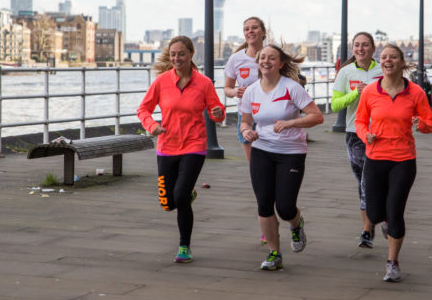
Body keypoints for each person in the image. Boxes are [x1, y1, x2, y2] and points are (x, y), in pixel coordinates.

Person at [136, 36, 225, 264]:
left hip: (194, 145)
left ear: (191, 55)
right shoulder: (162, 82)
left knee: (180, 197)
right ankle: (187, 195)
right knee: (168, 204)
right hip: (167, 146)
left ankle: (184, 247)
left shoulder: (204, 83)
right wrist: (152, 126)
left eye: (181, 54)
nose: (177, 58)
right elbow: (143, 109)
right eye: (173, 54)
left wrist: (217, 113)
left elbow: (217, 109)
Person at [355, 43, 432, 282]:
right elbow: (360, 121)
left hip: (403, 160)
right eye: (384, 57)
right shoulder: (370, 91)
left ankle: (392, 262)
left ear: (402, 62)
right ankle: (385, 220)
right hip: (375, 158)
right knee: (374, 211)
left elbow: (430, 123)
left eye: (393, 57)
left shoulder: (416, 92)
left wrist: (419, 123)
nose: (387, 60)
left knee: (395, 212)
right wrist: (364, 135)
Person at [240, 44, 324, 270]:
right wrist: (247, 131)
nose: (265, 61)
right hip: (262, 150)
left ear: (280, 64)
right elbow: (246, 121)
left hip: (290, 152)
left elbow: (317, 117)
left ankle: (296, 225)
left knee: (285, 207)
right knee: (264, 204)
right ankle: (274, 253)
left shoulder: (291, 88)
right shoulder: (251, 91)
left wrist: (291, 122)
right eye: (262, 58)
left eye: (271, 58)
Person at [330, 32, 382, 249]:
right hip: (356, 134)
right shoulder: (346, 72)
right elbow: (334, 105)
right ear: (353, 49)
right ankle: (370, 228)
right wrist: (354, 93)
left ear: (373, 48)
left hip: (382, 133)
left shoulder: (383, 70)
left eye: (365, 45)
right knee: (363, 182)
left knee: (372, 182)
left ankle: (371, 228)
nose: (361, 49)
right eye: (357, 45)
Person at [224, 16, 268, 244]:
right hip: (246, 118)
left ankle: (279, 212)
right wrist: (236, 93)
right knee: (257, 173)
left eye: (254, 28)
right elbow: (227, 89)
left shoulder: (271, 55)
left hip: (271, 119)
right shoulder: (236, 59)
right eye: (246, 29)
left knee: (272, 171)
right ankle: (267, 223)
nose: (250, 32)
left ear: (263, 32)